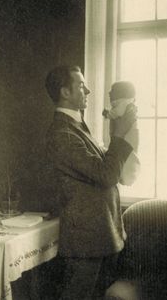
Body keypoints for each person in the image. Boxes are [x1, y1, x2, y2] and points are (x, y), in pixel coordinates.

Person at [45, 65, 134, 299]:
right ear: (65, 92)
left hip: (102, 234)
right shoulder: (62, 134)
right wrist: (119, 136)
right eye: (82, 85)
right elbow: (106, 175)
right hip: (87, 240)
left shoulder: (76, 127)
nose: (89, 90)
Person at [103, 81, 140, 186]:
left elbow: (117, 113)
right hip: (126, 134)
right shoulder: (125, 103)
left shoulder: (124, 103)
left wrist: (107, 114)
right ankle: (125, 174)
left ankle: (127, 175)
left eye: (112, 91)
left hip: (129, 134)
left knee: (129, 155)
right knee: (127, 155)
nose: (109, 93)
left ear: (122, 93)